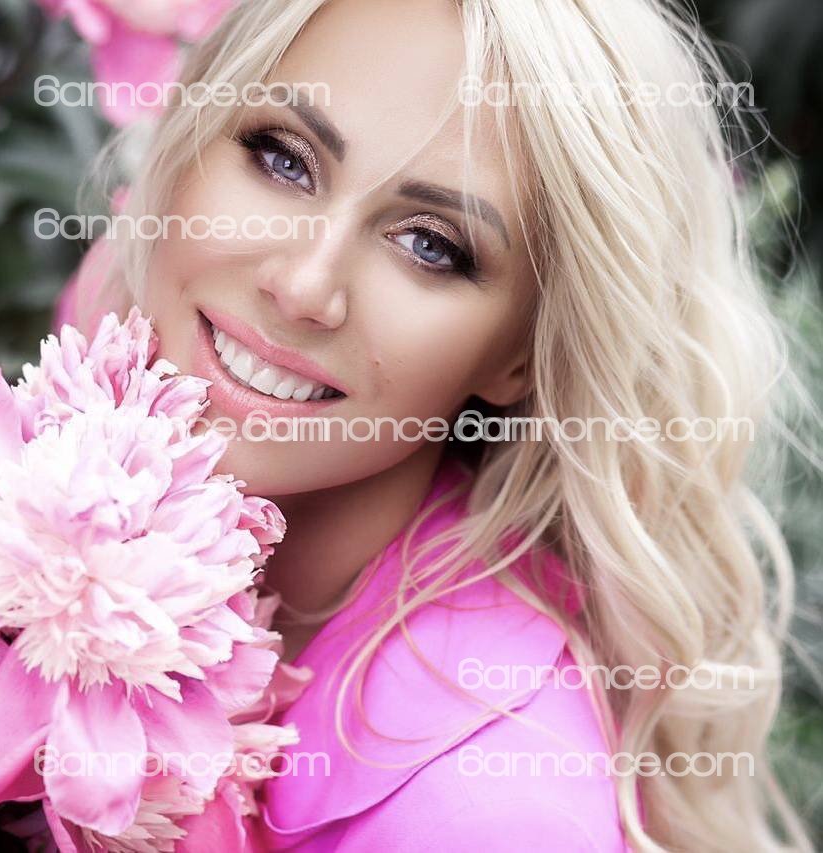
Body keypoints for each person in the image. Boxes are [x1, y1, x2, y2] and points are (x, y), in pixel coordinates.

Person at [54, 0, 812, 849]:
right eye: (282, 158)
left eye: (430, 245)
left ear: (521, 353)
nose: (302, 287)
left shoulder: (489, 814)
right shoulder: (110, 346)